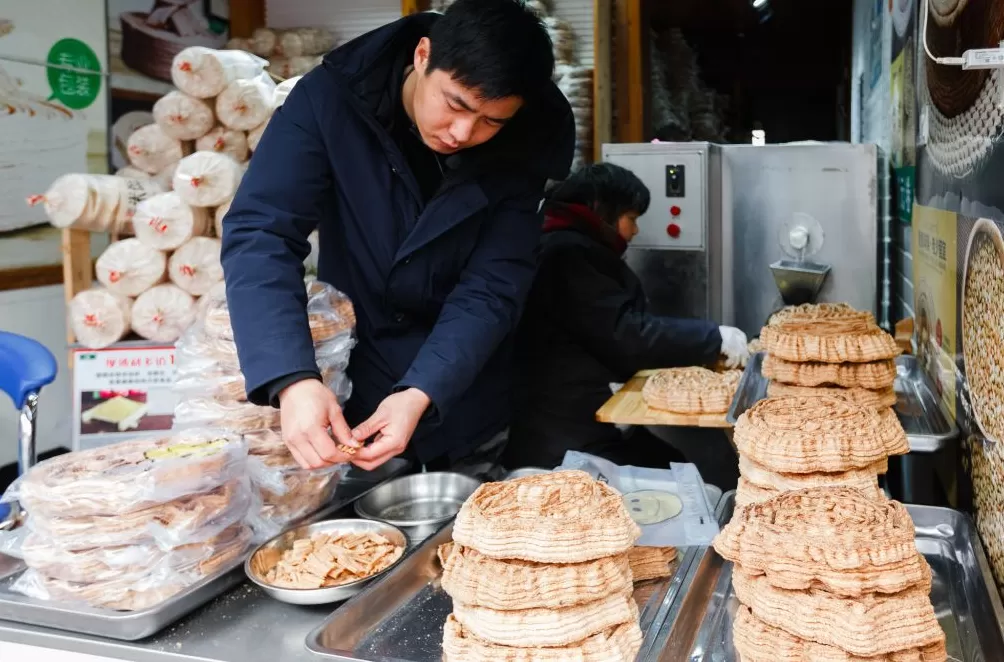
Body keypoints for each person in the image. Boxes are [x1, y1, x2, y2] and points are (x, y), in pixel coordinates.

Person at [221, 0, 574, 474]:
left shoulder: (530, 136)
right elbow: (262, 230)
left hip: (464, 386)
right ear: (422, 55)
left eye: (492, 121)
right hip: (356, 377)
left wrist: (423, 391)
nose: (464, 132)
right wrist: (291, 377)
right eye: (455, 104)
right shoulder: (330, 99)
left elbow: (492, 285)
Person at [502, 162, 749, 471]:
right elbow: (625, 332)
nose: (634, 230)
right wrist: (713, 338)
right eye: (631, 218)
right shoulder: (567, 256)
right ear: (602, 210)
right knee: (673, 475)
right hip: (564, 437)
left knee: (676, 466)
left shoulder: (565, 244)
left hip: (586, 418)